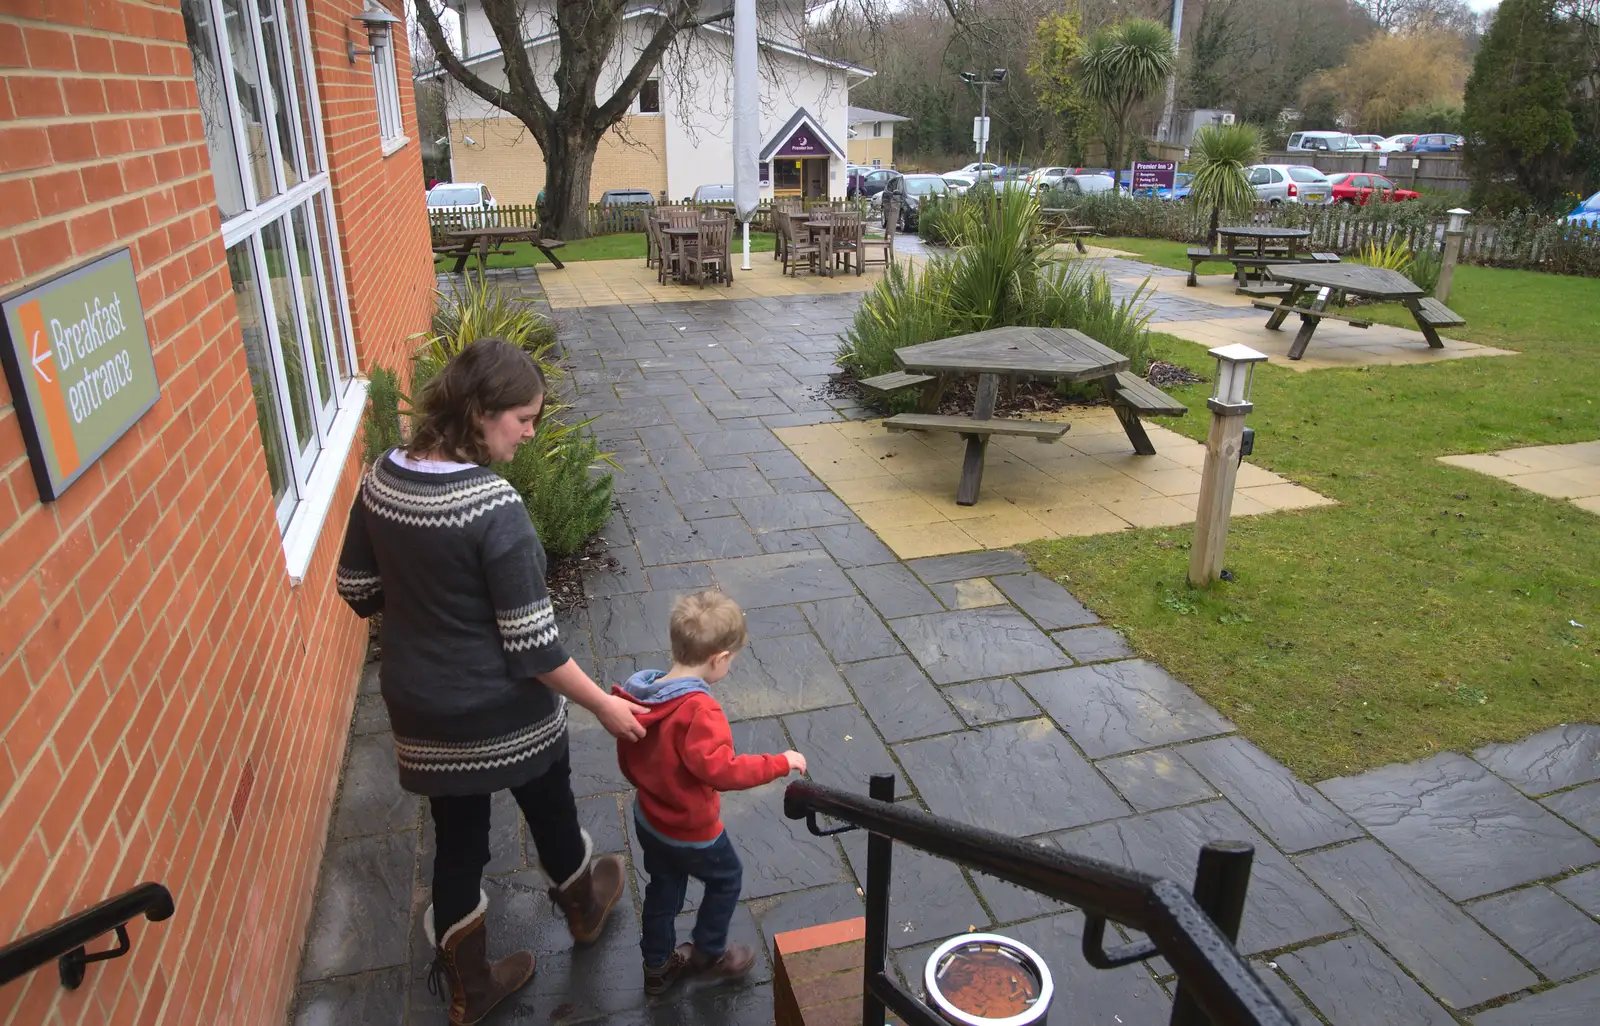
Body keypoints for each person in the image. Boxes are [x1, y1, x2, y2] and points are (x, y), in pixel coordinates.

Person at [336, 338, 649, 1026]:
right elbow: (535, 648)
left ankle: (469, 988)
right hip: (503, 707)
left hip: (421, 709)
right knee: (547, 799)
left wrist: (428, 612)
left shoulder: (381, 477)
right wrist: (603, 705)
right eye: (524, 419)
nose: (532, 434)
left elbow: (356, 588)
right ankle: (582, 903)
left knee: (458, 844)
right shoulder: (493, 507)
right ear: (481, 413)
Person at [613, 591, 808, 995]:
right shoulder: (700, 711)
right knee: (726, 878)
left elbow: (630, 759)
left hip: (650, 817)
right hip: (690, 828)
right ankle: (709, 952)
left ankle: (656, 966)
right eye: (731, 661)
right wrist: (780, 761)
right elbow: (722, 771)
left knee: (663, 888)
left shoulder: (639, 695)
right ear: (718, 658)